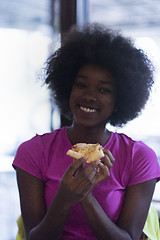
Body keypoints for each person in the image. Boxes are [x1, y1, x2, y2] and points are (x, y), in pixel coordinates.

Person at [13, 23, 160, 240]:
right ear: (67, 88)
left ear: (119, 101)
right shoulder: (33, 152)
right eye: (81, 85)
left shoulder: (139, 157)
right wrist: (64, 198)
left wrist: (85, 195)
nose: (89, 96)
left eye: (103, 90)